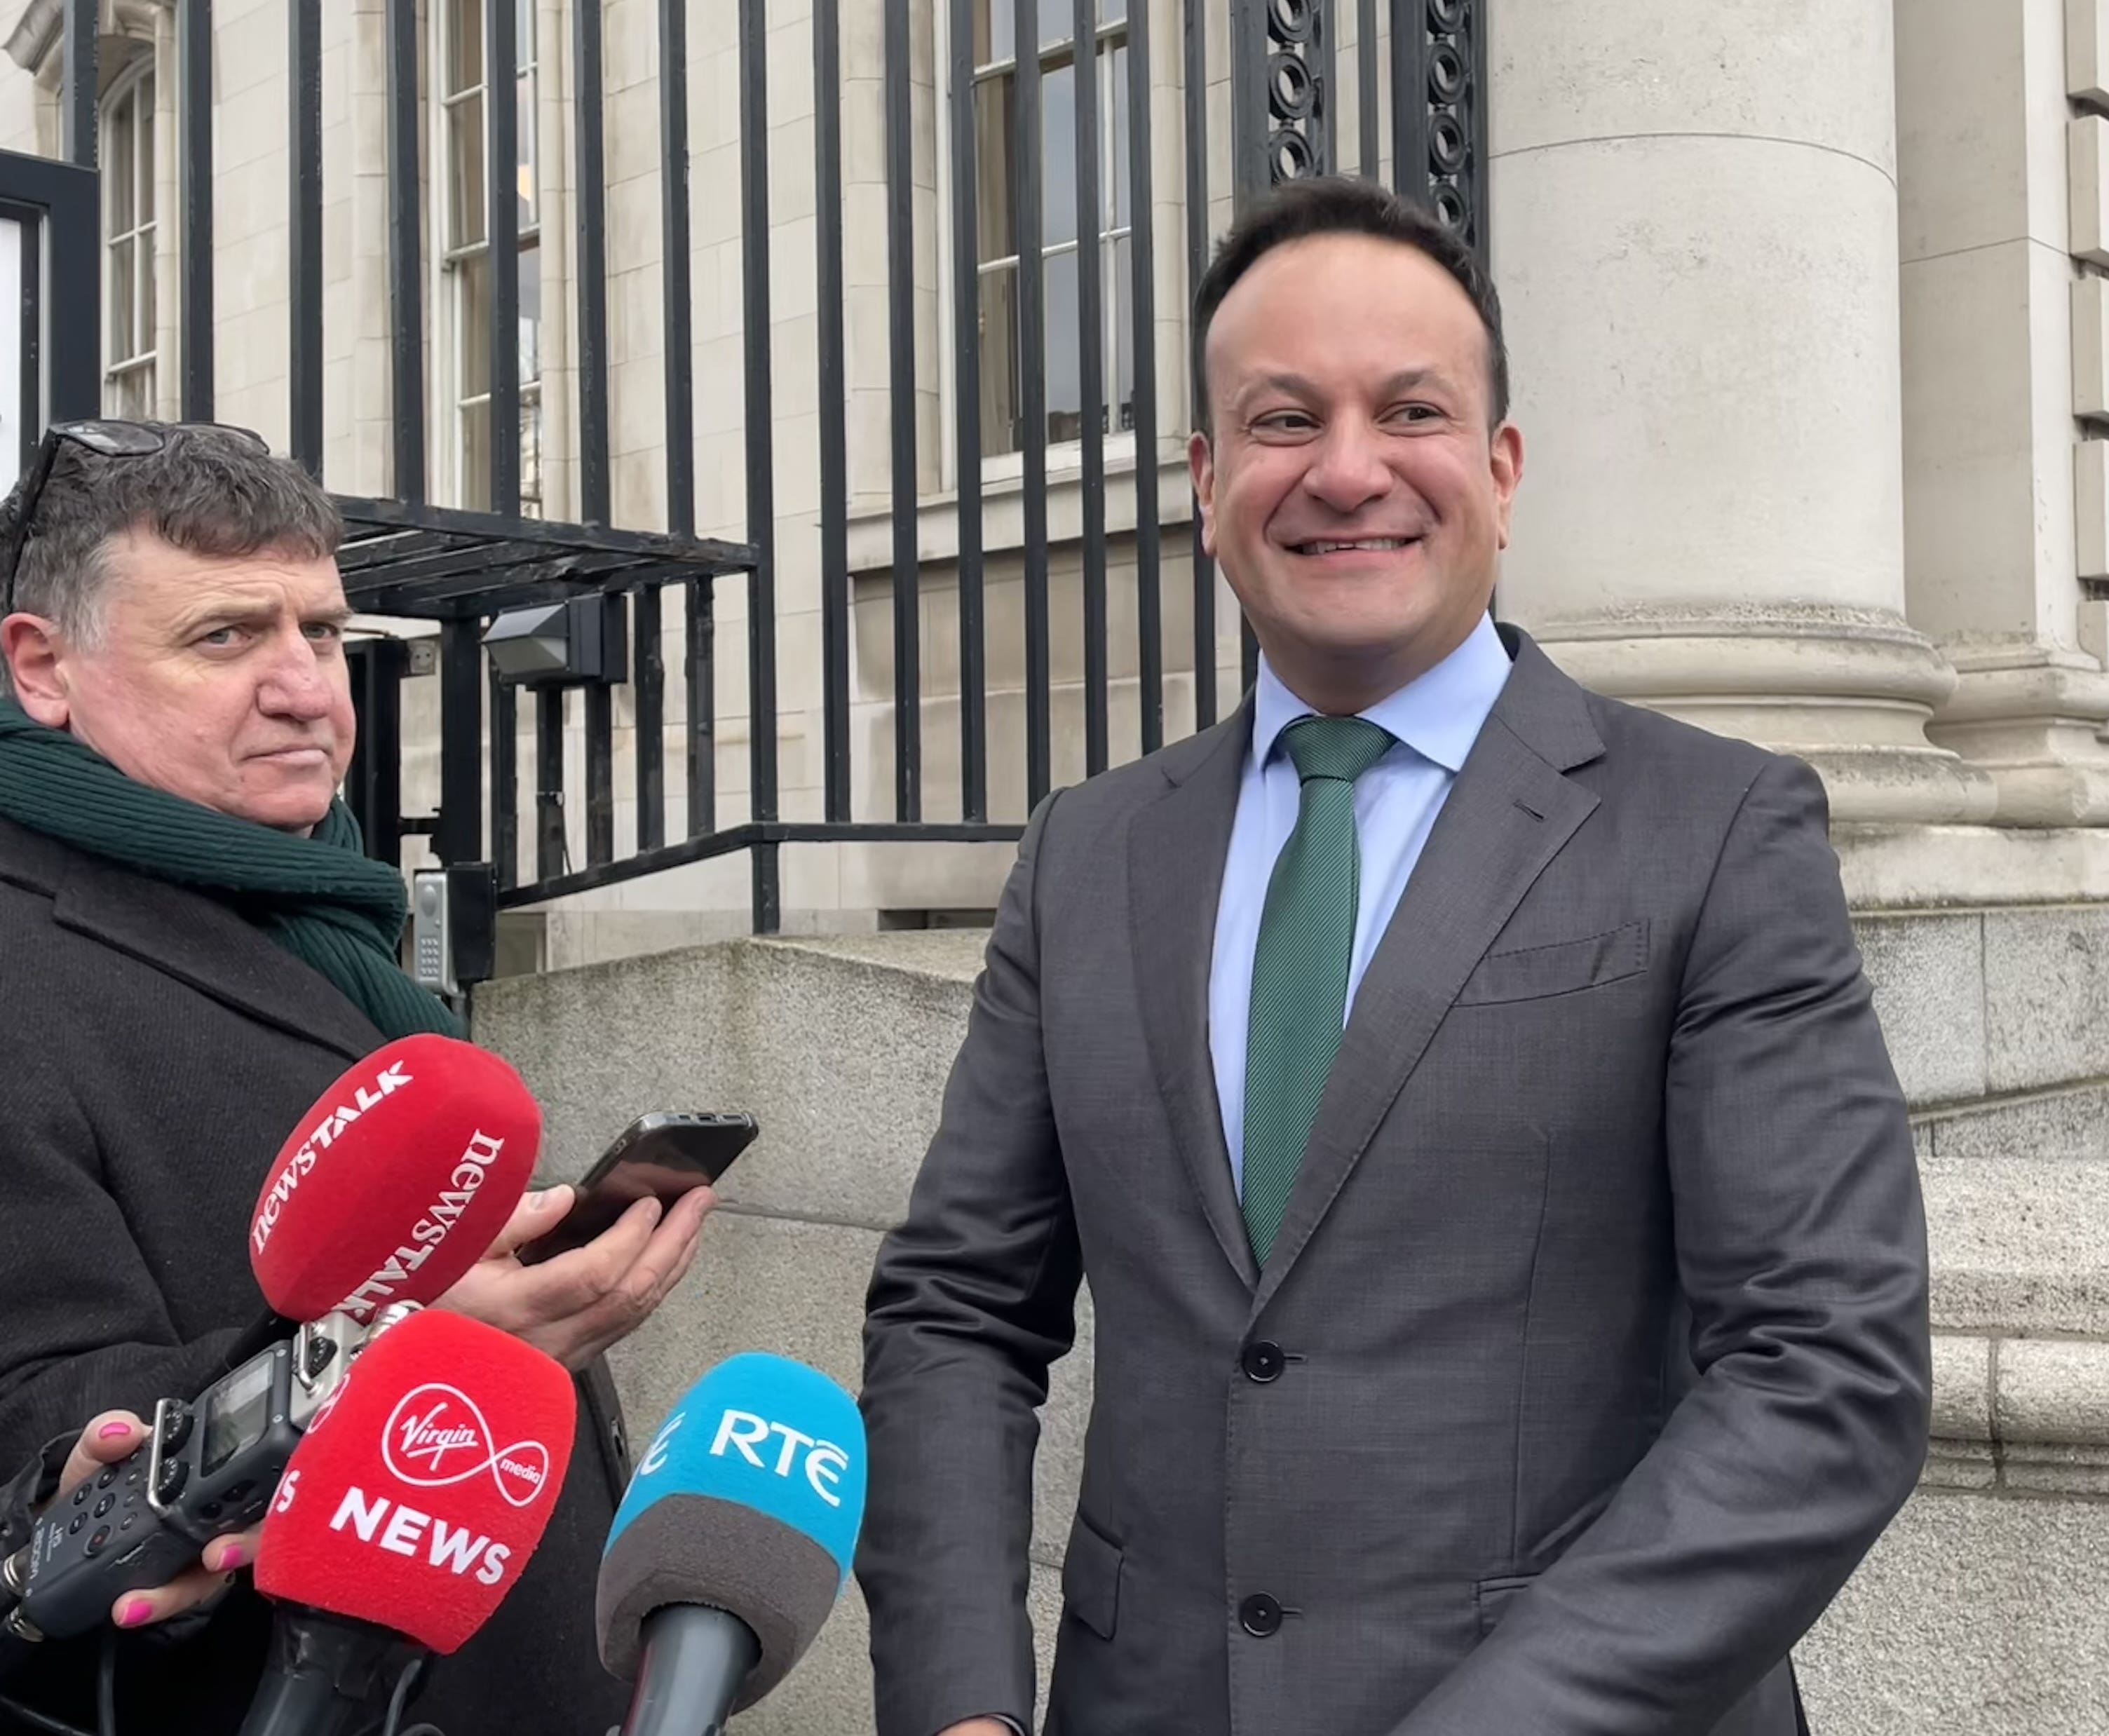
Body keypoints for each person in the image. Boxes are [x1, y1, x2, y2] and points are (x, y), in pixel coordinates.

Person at [856, 177, 1932, 1736]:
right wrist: (960, 1702)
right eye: (1284, 419)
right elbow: (958, 1304)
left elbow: (1827, 1369)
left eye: (1409, 409)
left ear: (1500, 470)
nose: (1347, 470)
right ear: (1208, 476)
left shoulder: (1718, 828)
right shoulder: (1088, 853)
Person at [0, 421, 715, 1734]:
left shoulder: (318, 909)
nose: (305, 689)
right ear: (43, 668)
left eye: (322, 632)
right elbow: (36, 1430)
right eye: (225, 637)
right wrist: (395, 1361)